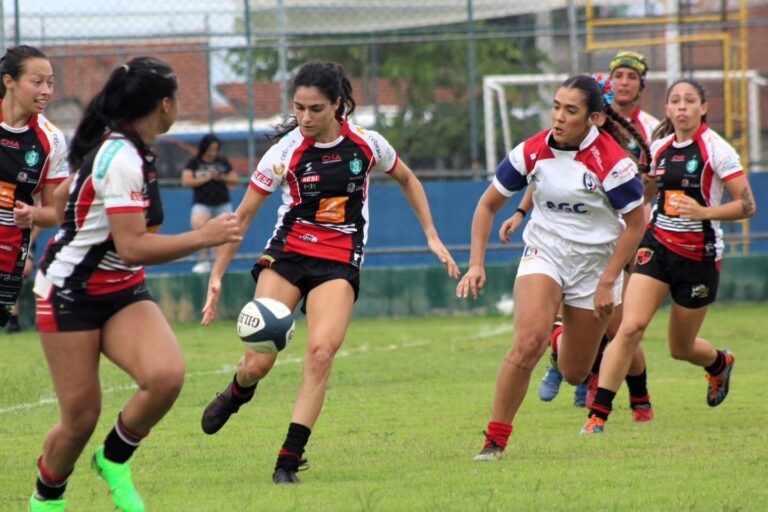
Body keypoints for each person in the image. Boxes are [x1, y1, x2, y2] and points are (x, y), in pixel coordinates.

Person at [199, 60, 459, 484]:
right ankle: (238, 389)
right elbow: (241, 218)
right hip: (287, 255)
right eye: (298, 107)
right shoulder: (283, 153)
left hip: (339, 261)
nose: (304, 118)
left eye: (315, 108)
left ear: (338, 105)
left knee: (320, 355)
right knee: (259, 360)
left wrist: (431, 234)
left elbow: (408, 179)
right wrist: (216, 275)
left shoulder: (367, 144)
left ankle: (287, 460)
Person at [28, 57, 241, 512]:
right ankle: (46, 500)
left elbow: (72, 197)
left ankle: (112, 459)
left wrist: (77, 200)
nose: (179, 105)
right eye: (178, 97)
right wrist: (204, 236)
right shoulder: (121, 156)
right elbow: (132, 247)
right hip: (71, 292)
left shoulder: (136, 147)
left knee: (165, 377)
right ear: (165, 105)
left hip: (120, 288)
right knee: (80, 419)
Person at [457, 74, 649, 461]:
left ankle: (557, 334)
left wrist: (608, 280)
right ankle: (494, 442)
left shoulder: (612, 163)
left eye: (571, 110)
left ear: (593, 118)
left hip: (595, 266)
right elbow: (487, 205)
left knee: (576, 372)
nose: (559, 117)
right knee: (526, 342)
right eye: (556, 107)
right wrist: (476, 263)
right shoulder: (531, 151)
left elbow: (636, 225)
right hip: (545, 251)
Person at [581, 78, 756, 434]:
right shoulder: (658, 147)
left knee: (681, 348)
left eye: (689, 100)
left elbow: (747, 205)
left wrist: (703, 213)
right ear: (667, 109)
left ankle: (719, 363)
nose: (681, 107)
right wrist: (629, 204)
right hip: (656, 246)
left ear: (703, 108)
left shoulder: (715, 149)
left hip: (699, 257)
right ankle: (598, 416)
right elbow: (647, 192)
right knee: (629, 328)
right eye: (675, 100)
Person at [535, 51, 659, 421]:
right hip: (574, 238)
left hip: (621, 237)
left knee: (620, 325)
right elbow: (544, 171)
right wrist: (523, 212)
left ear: (640, 85)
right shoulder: (580, 126)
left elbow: (648, 190)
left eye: (631, 77)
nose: (623, 82)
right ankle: (571, 367)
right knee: (569, 313)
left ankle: (638, 397)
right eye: (617, 75)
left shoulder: (649, 130)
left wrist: (643, 198)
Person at [0, 45, 68, 331]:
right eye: (37, 82)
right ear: (9, 81)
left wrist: (33, 214)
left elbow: (55, 213)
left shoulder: (51, 141)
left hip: (8, 254)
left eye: (50, 83)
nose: (46, 91)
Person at [181, 134, 238, 273]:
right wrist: (208, 177)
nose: (213, 152)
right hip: (202, 202)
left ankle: (216, 265)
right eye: (211, 148)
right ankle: (203, 260)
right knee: (197, 223)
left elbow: (234, 179)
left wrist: (221, 177)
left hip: (222, 202)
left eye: (216, 149)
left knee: (222, 233)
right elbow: (186, 181)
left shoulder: (222, 161)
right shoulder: (194, 162)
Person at [5, 225, 42, 333]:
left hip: (23, 240)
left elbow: (42, 219)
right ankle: (13, 321)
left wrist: (29, 241)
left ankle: (40, 318)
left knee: (23, 271)